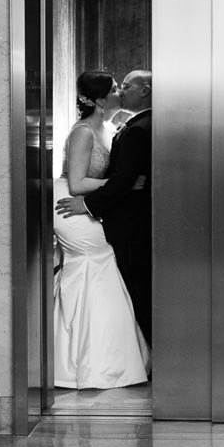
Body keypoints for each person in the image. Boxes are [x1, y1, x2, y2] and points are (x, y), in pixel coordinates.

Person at [53, 70, 150, 389]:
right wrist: (120, 184)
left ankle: (105, 355)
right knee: (100, 259)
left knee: (105, 263)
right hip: (70, 203)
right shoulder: (82, 132)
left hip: (92, 201)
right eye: (113, 89)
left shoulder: (110, 126)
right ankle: (85, 359)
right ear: (97, 100)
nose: (119, 92)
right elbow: (78, 182)